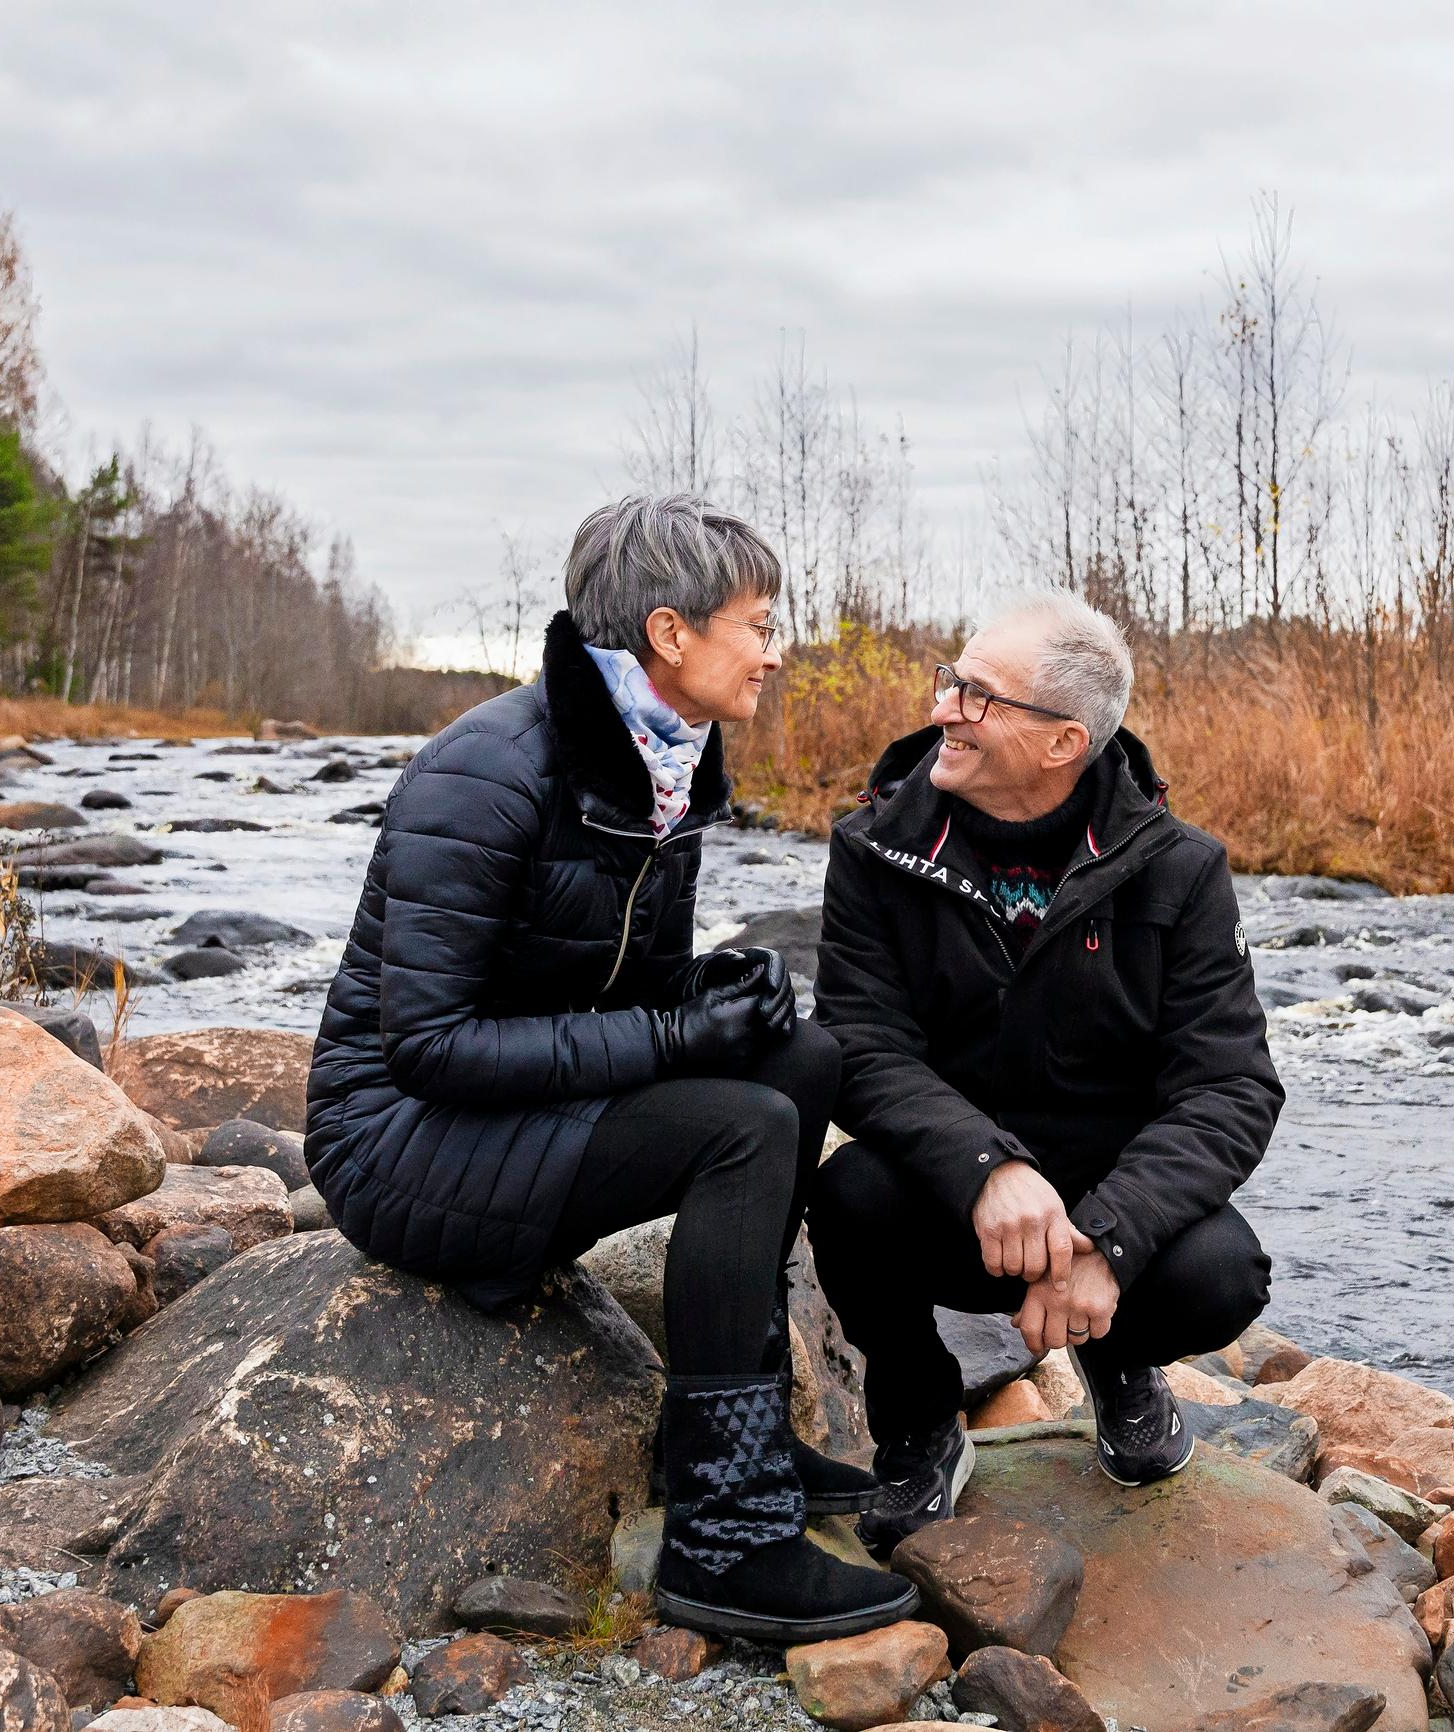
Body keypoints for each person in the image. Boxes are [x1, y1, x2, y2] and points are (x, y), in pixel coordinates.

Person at [304, 495, 917, 1643]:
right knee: (740, 1128)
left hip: (512, 1111)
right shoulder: (484, 772)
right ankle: (724, 1540)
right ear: (672, 633)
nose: (778, 653)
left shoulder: (660, 766)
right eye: (760, 623)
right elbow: (427, 1045)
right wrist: (677, 1040)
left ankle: (739, 1437)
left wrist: (712, 995)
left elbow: (614, 995)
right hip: (391, 1141)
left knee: (800, 1061)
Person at [808, 592, 1283, 1557]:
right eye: (951, 680)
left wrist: (1110, 1239)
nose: (943, 708)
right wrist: (984, 1166)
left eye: (978, 697)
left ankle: (1120, 1367)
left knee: (1222, 1275)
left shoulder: (1181, 870)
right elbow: (858, 1043)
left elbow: (1230, 1087)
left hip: (1109, 1200)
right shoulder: (874, 847)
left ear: (1064, 742)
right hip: (950, 1197)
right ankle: (918, 1419)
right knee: (847, 1197)